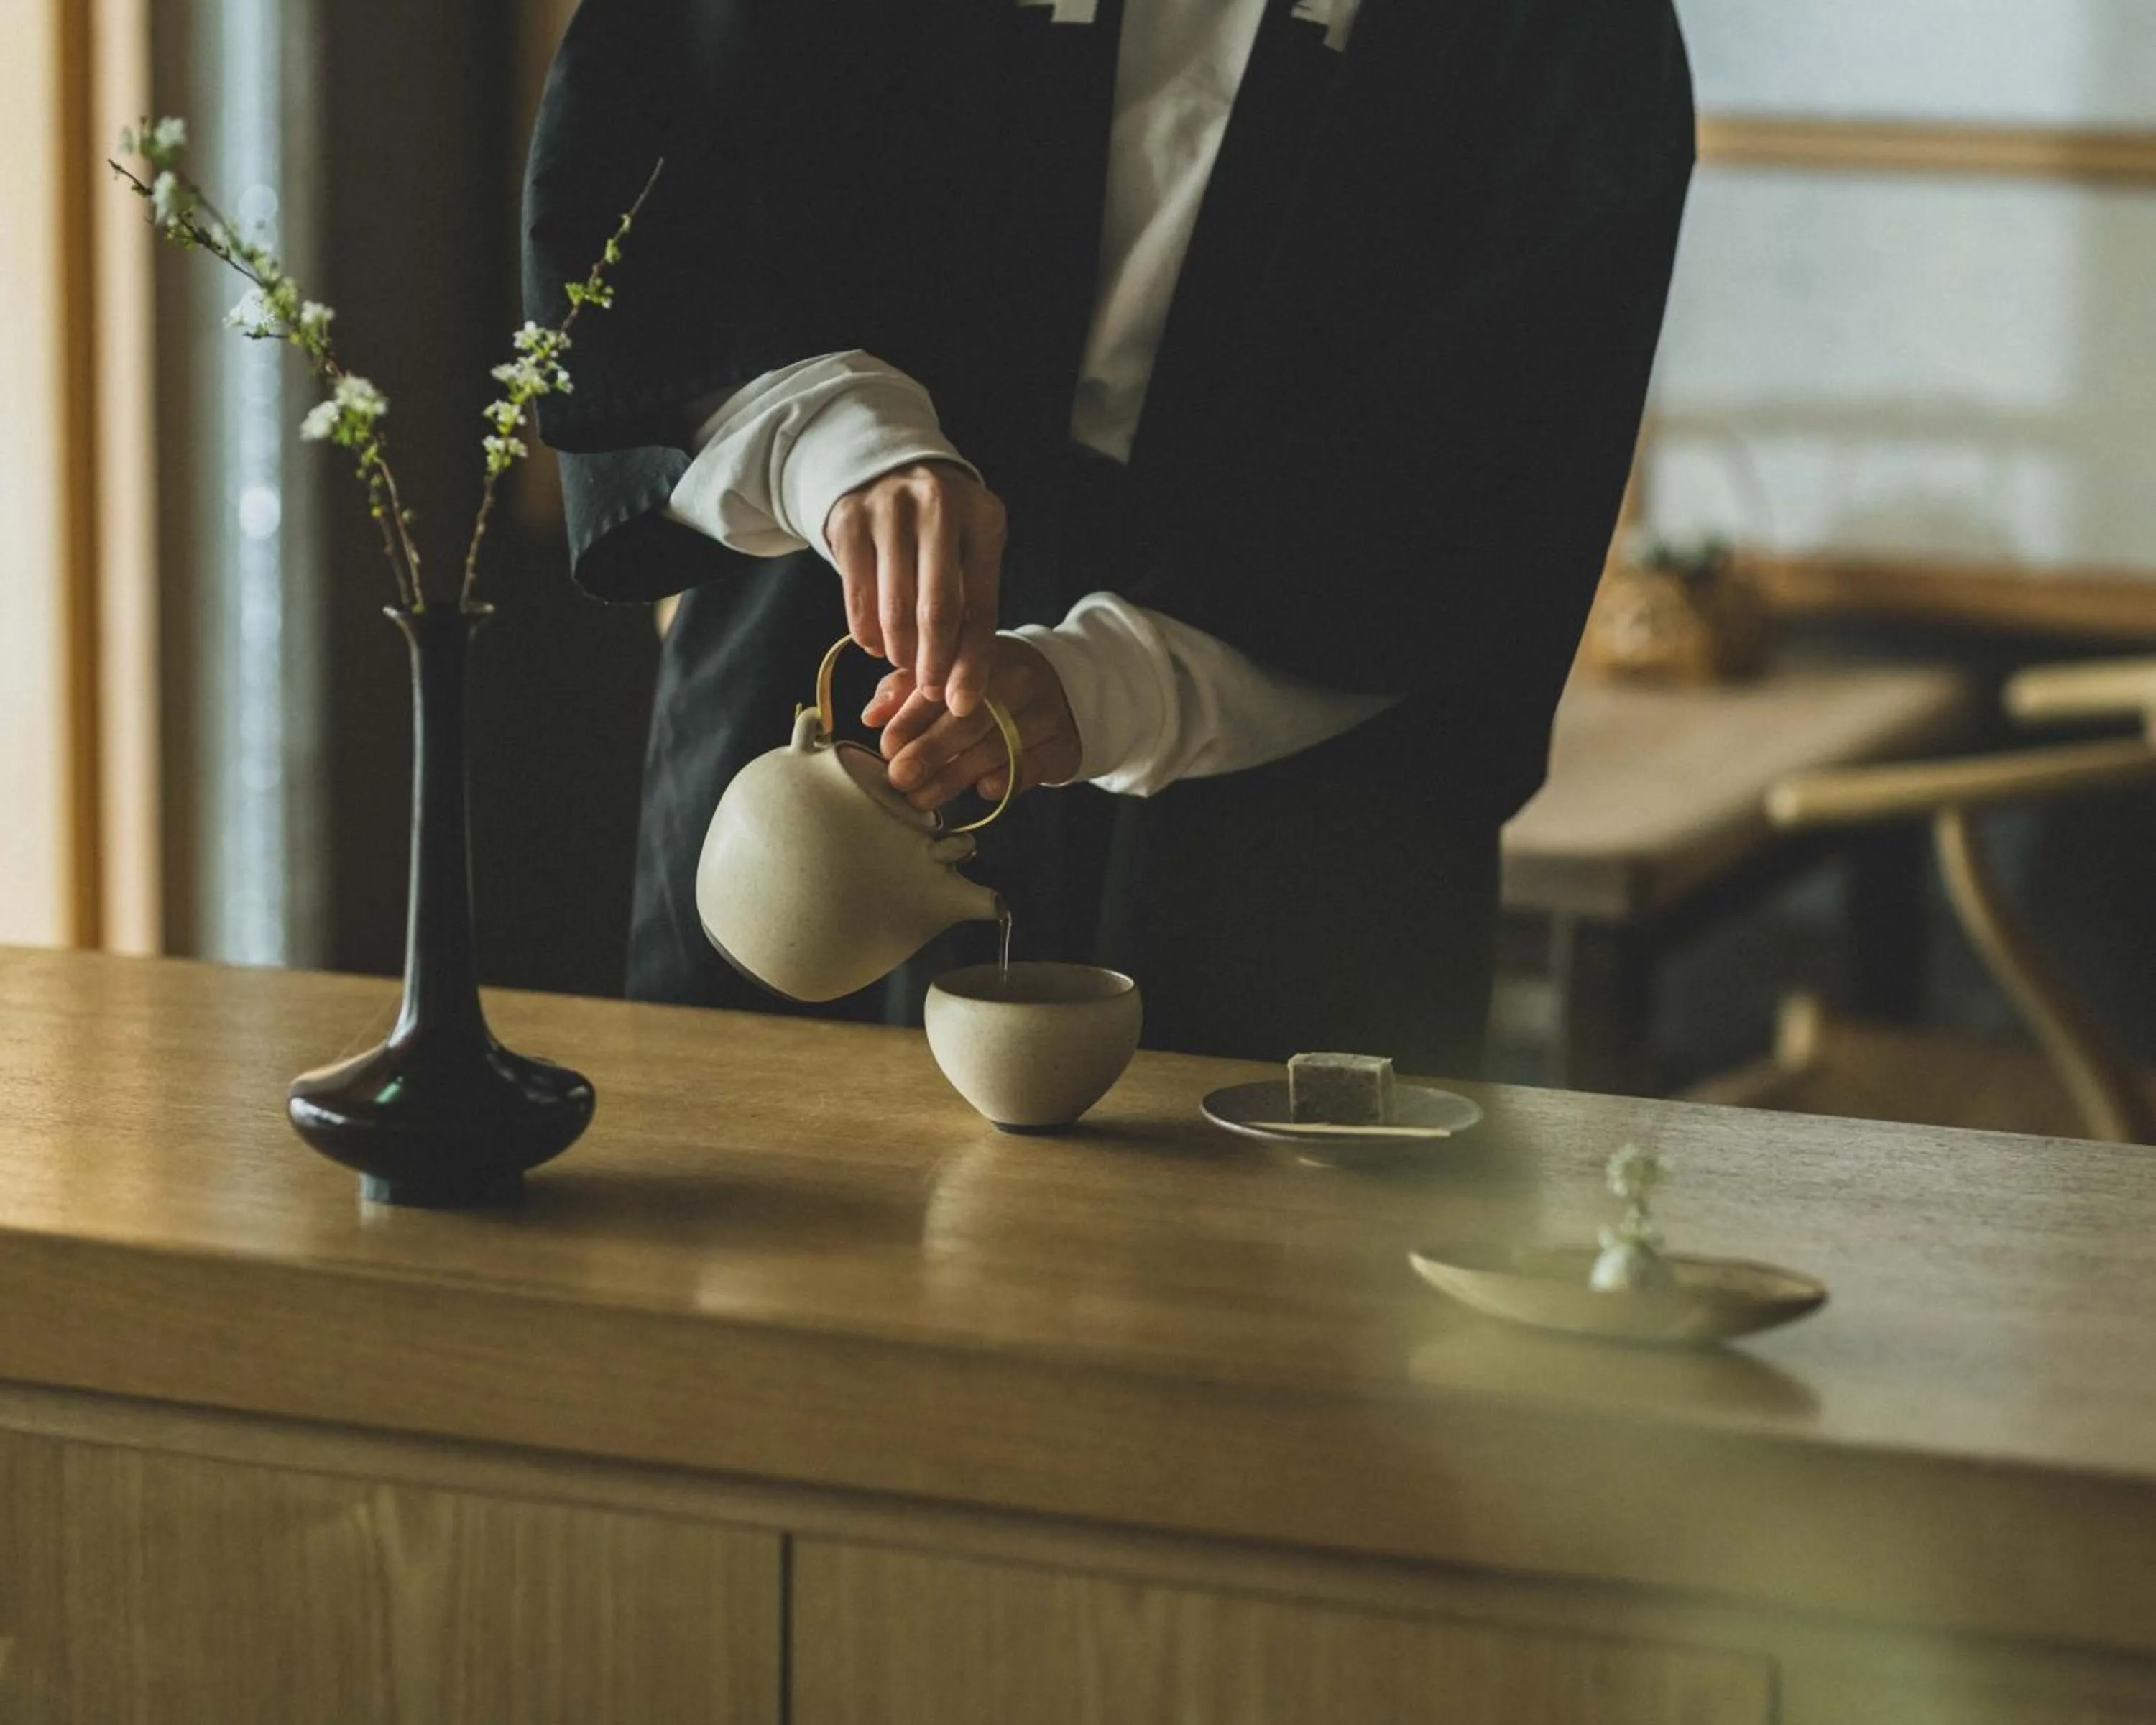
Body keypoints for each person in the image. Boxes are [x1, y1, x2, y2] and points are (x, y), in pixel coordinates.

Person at [524, 0, 1695, 1075]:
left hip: (1297, 768)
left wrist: (1117, 680)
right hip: (830, 644)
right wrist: (835, 439)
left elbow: (1506, 419)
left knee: (1255, 1276)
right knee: (754, 1239)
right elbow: (655, 152)